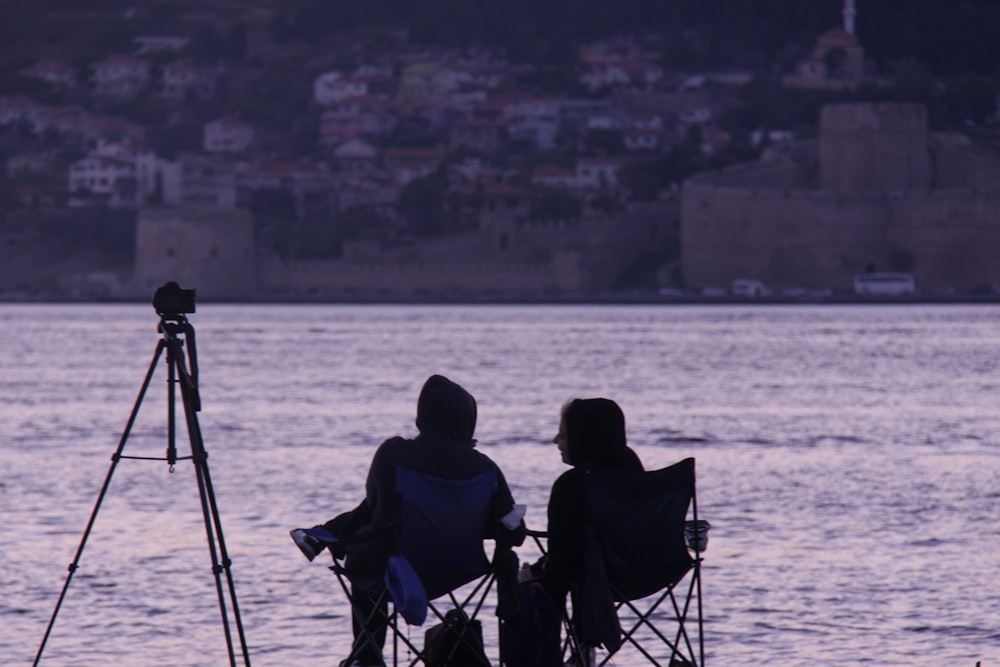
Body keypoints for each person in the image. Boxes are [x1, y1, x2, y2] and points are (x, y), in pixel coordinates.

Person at [291, 374, 525, 667]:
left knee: (358, 558)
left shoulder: (394, 453)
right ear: (466, 419)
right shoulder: (485, 468)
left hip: (397, 567)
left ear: (422, 416)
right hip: (461, 569)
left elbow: (378, 510)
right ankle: (322, 534)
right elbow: (514, 533)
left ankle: (367, 656)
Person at [520, 398, 643, 664]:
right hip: (648, 571)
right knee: (584, 557)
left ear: (583, 438)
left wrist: (534, 578)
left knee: (528, 588)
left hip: (596, 577)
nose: (555, 440)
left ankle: (561, 655)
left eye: (563, 434)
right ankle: (583, 650)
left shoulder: (572, 485)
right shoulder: (635, 473)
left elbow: (561, 568)